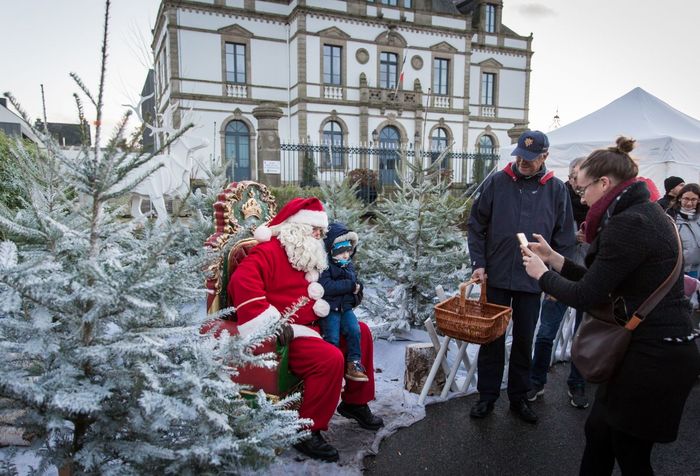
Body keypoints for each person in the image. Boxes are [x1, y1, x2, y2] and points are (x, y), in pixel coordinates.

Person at [521, 137, 700, 475]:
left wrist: (541, 275)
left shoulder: (629, 224)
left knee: (630, 452)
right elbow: (601, 280)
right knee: (599, 433)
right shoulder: (643, 212)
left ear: (604, 183)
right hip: (646, 350)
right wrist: (556, 260)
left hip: (654, 356)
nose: (581, 196)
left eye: (583, 188)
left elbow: (586, 296)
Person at [227, 197, 383, 463]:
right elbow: (240, 284)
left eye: (321, 231)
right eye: (316, 230)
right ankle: (306, 429)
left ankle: (355, 402)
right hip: (288, 334)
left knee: (362, 332)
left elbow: (332, 282)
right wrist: (272, 323)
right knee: (330, 358)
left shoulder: (308, 251)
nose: (320, 236)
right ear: (295, 228)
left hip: (318, 323)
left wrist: (350, 296)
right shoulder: (268, 252)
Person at [467, 130, 577, 424]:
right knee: (492, 339)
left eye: (530, 158)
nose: (523, 162)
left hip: (534, 279)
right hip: (498, 275)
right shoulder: (497, 182)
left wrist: (557, 278)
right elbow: (476, 224)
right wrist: (478, 262)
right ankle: (486, 396)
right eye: (520, 156)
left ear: (545, 156)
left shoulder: (555, 189)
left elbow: (564, 238)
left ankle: (519, 397)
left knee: (524, 340)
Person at [528, 157, 590, 409]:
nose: (579, 183)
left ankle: (577, 383)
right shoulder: (558, 196)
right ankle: (536, 380)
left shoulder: (601, 206)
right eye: (575, 176)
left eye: (583, 177)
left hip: (590, 276)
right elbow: (543, 234)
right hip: (560, 275)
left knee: (582, 336)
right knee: (545, 333)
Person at [318, 222, 367, 382]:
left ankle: (354, 363)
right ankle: (331, 368)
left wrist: (357, 289)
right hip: (331, 309)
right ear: (331, 250)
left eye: (348, 250)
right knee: (332, 337)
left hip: (345, 309)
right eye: (341, 252)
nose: (346, 255)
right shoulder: (325, 267)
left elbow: (356, 284)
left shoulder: (348, 266)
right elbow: (327, 287)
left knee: (355, 330)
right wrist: (350, 286)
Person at [672, 183, 700, 278]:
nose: (689, 203)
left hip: (696, 270)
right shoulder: (671, 217)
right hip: (678, 271)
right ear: (680, 198)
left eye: (693, 199)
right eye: (686, 199)